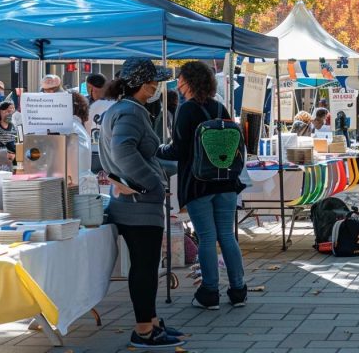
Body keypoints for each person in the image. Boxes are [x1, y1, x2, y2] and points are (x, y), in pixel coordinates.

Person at [98, 58, 185, 348]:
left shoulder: (121, 109)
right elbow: (124, 152)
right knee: (145, 267)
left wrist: (163, 170)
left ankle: (152, 321)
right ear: (141, 83)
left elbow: (135, 153)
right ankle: (144, 329)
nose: (156, 86)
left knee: (145, 266)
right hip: (139, 206)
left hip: (132, 203)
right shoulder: (131, 112)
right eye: (153, 81)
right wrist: (152, 183)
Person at [157, 61, 247, 310]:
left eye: (181, 79)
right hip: (227, 181)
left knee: (207, 237)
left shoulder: (186, 110)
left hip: (198, 183)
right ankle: (238, 290)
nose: (178, 83)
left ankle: (209, 293)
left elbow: (177, 150)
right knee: (227, 236)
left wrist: (157, 148)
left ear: (189, 82)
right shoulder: (220, 107)